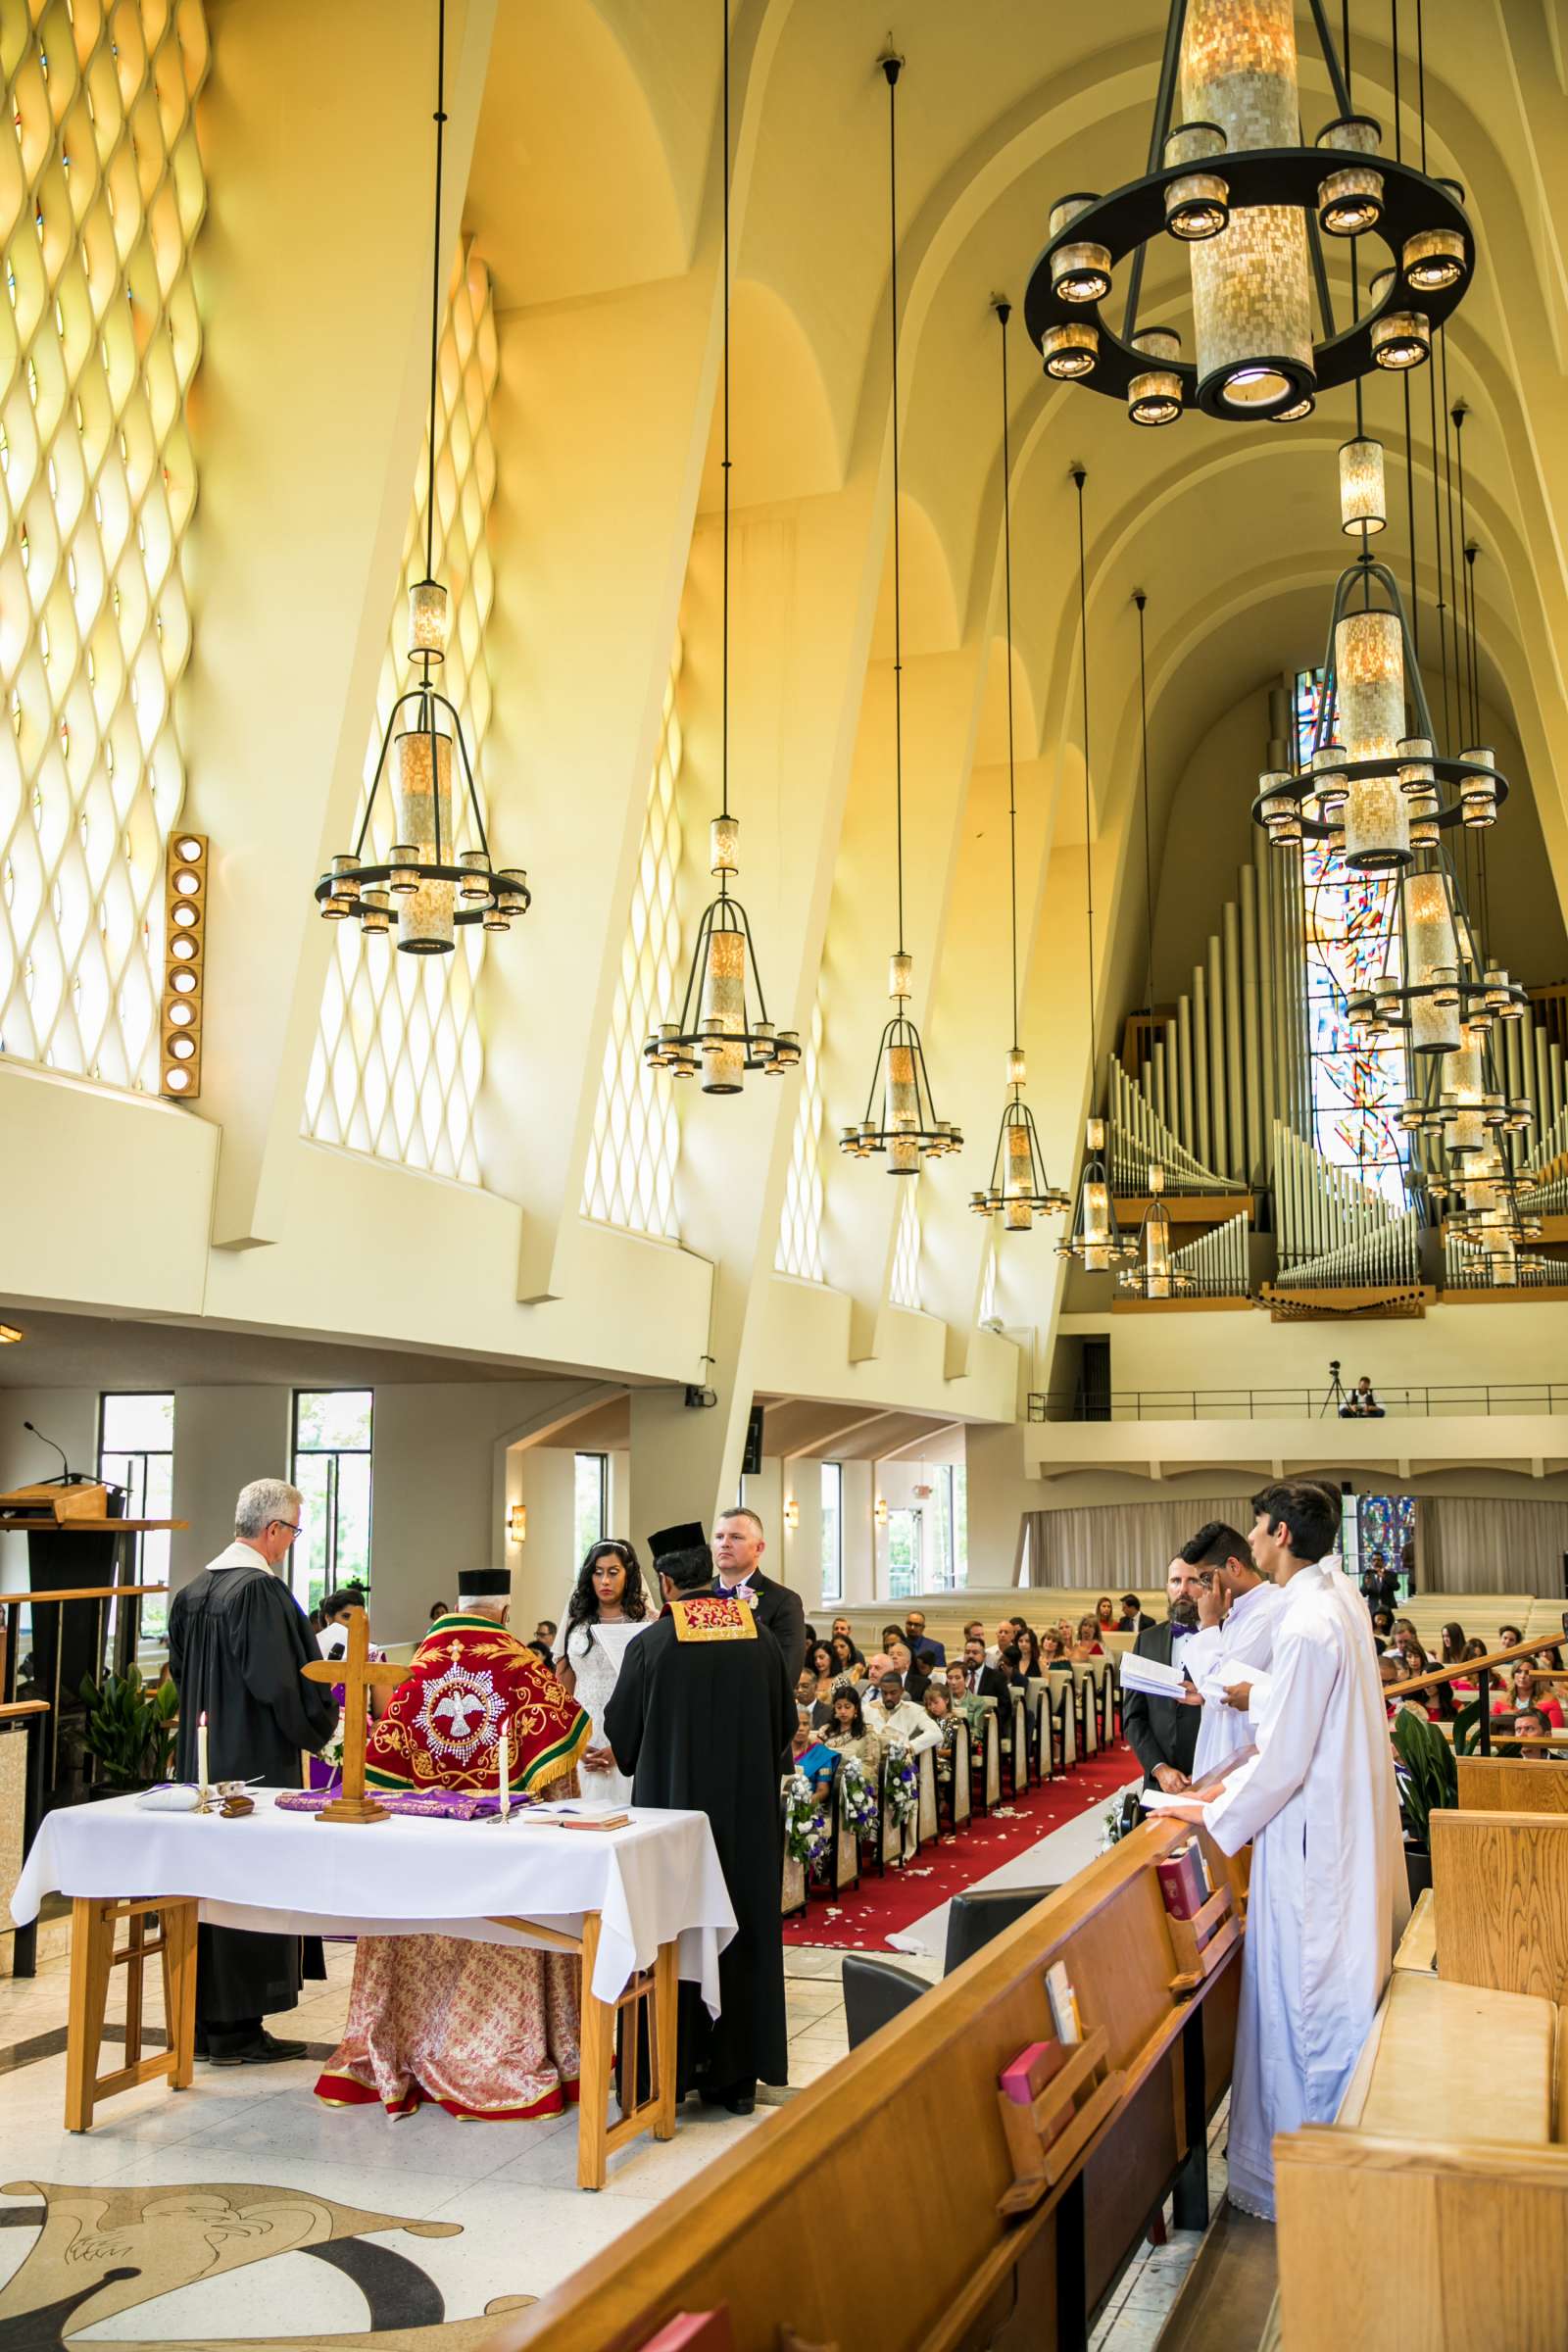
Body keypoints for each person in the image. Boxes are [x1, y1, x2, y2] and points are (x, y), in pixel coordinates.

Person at [1163, 1481, 1404, 2223]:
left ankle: (1308, 2173)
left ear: (1278, 1534)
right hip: (1333, 1824)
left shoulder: (1305, 1622)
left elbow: (1287, 1752)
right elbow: (1299, 1703)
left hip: (1311, 1841)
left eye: (1257, 1529)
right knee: (1322, 1988)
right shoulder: (1335, 1601)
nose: (1252, 1540)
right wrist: (1258, 1700)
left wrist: (1214, 1812)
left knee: (1305, 1999)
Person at [317, 1570, 591, 2121]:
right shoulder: (522, 1666)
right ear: (506, 1613)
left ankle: (407, 2046)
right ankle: (497, 2052)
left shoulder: (419, 1665)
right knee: (502, 1933)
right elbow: (559, 1777)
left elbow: (384, 1756)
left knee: (423, 1937)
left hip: (426, 1851)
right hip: (500, 1856)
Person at [606, 1523, 796, 2117]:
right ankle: (737, 2079)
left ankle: (665, 2071)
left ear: (665, 1583)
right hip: (744, 1824)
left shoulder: (653, 1645)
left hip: (672, 1825)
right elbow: (783, 1728)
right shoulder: (760, 1638)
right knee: (741, 1938)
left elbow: (622, 1735)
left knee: (670, 1936)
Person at [167, 1479, 338, 2066]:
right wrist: (324, 1727)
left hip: (203, 1766)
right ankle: (236, 2028)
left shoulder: (192, 1592)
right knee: (245, 1889)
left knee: (208, 1888)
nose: (290, 1542)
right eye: (292, 1531)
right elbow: (281, 1685)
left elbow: (181, 1672)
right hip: (256, 1772)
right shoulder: (260, 1594)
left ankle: (201, 2021)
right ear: (272, 1531)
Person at [1176, 1520, 1290, 1780]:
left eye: (1206, 1578)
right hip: (1223, 1744)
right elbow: (1221, 1678)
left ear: (1233, 1566)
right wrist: (1203, 1692)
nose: (1202, 1590)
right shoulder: (1237, 1612)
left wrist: (1208, 1625)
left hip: (1243, 1753)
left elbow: (1223, 1691)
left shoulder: (1267, 1612)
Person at [553, 1540, 653, 1809]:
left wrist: (624, 1749)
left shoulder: (647, 1624)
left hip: (630, 1735)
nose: (604, 1580)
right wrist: (573, 1742)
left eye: (613, 1572)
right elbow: (562, 1688)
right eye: (598, 1572)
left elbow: (652, 1692)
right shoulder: (576, 1623)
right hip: (583, 1733)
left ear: (628, 1574)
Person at [1120, 1554, 1207, 1793]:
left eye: (1193, 1581)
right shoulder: (1146, 1640)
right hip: (1159, 1782)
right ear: (1167, 1587)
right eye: (1176, 1581)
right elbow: (1133, 1716)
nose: (1183, 1589)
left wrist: (1208, 1771)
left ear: (1206, 1586)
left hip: (1210, 1778)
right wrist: (1159, 1769)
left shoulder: (1224, 1637)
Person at [710, 1506, 807, 1683]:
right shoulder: (700, 1595)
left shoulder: (784, 1602)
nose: (724, 1543)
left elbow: (787, 1672)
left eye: (736, 1537)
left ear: (759, 1548)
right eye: (719, 1537)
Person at [864, 1668, 941, 1755]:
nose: (888, 1697)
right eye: (885, 1693)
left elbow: (936, 1733)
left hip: (900, 1761)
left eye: (893, 1693)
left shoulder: (914, 1710)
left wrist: (909, 1747)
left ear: (902, 1691)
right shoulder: (867, 1709)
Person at [959, 1634, 1007, 1703]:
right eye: (967, 1652)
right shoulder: (956, 1674)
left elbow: (1005, 1707)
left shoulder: (997, 1677)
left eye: (975, 1653)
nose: (970, 1656)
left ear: (984, 1656)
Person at [887, 1636, 929, 1707]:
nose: (894, 1657)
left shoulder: (922, 1684)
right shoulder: (881, 1680)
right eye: (891, 1654)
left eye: (899, 1654)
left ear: (908, 1663)